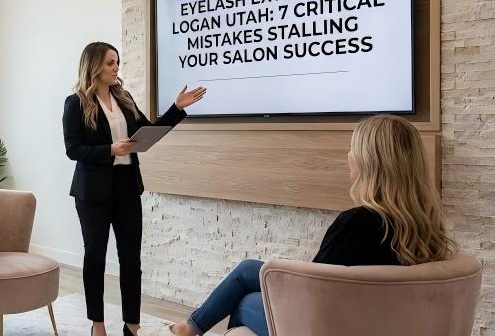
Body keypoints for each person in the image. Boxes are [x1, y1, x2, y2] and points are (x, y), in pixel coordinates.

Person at [155, 114, 459, 336]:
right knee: (250, 269)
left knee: (246, 301)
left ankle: (188, 330)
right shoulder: (426, 224)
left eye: (354, 148)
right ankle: (188, 328)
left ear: (370, 162)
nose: (349, 155)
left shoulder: (355, 223)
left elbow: (312, 296)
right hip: (387, 323)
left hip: (331, 328)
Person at [63, 41, 206, 336]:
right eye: (110, 63)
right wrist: (109, 150)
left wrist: (176, 109)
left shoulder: (124, 98)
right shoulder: (75, 102)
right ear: (93, 67)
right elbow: (72, 149)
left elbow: (147, 131)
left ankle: (132, 325)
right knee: (95, 258)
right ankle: (98, 325)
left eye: (117, 62)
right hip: (93, 193)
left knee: (131, 260)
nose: (116, 68)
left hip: (127, 186)